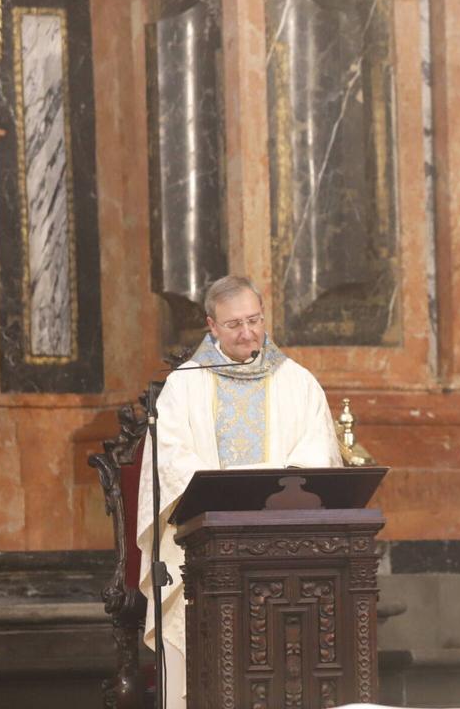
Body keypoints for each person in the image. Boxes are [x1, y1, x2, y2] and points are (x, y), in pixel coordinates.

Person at [136, 275, 343, 708]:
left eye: (255, 320)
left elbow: (318, 454)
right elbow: (171, 465)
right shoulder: (184, 386)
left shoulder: (297, 382)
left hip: (287, 553)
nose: (248, 332)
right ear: (211, 326)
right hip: (207, 555)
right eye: (234, 325)